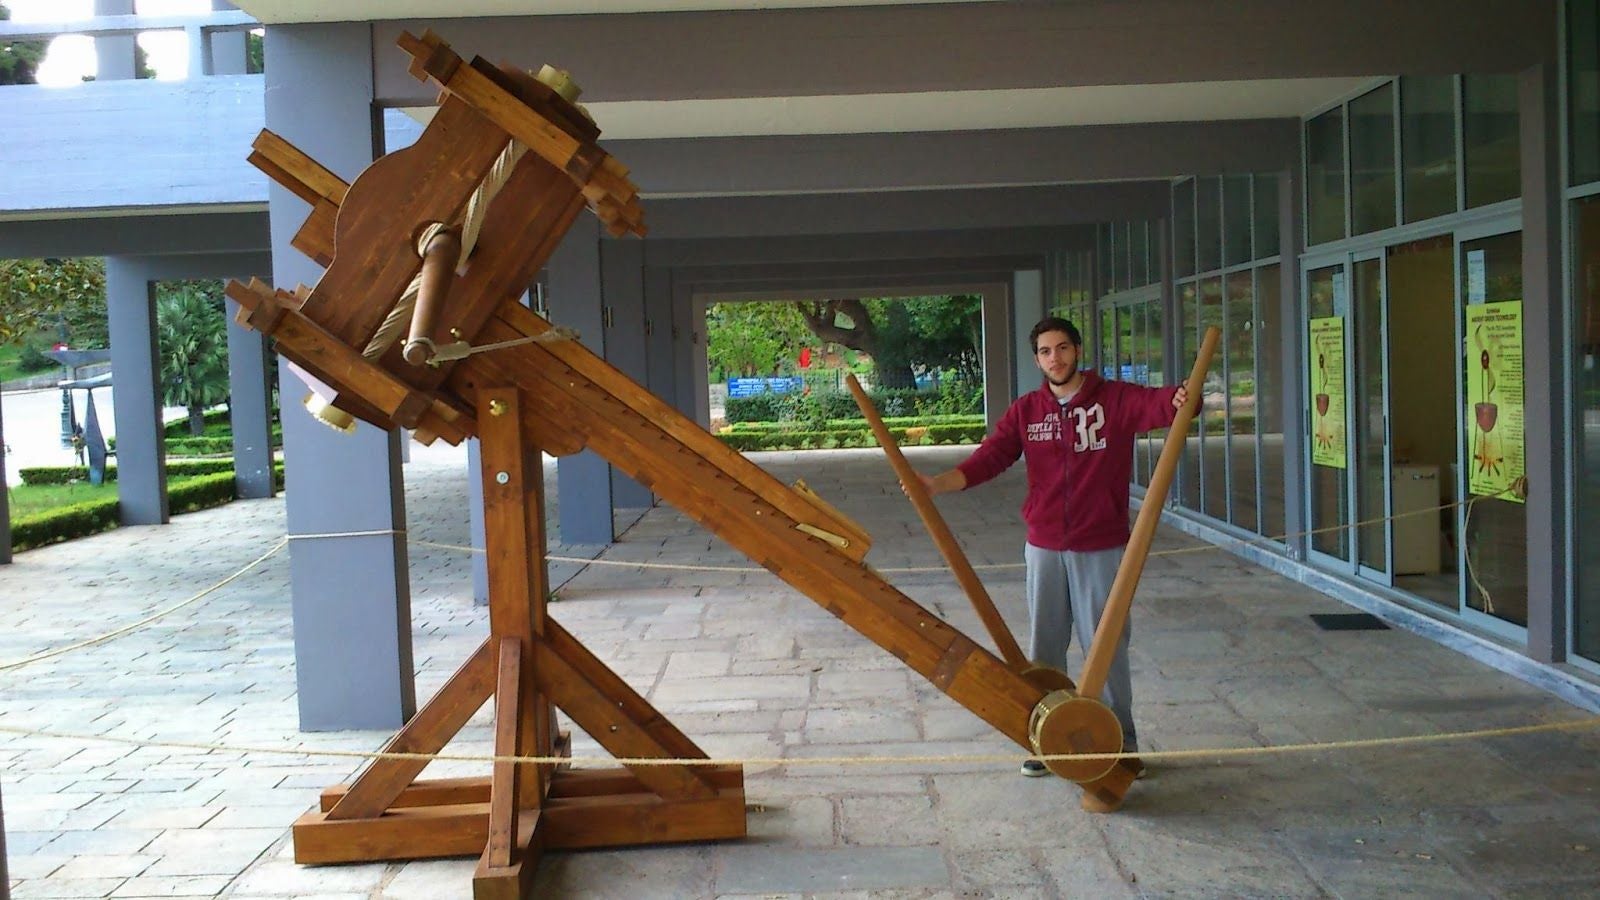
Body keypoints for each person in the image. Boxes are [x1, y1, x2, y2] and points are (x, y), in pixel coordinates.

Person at [910, 316, 1186, 777]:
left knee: (1107, 644)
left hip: (1101, 546)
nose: (1054, 358)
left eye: (1061, 348)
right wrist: (937, 484)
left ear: (1077, 350)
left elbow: (1161, 406)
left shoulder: (1115, 399)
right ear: (1037, 358)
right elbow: (991, 457)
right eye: (1044, 351)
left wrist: (1182, 400)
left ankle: (1122, 744)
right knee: (1045, 647)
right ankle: (1047, 738)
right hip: (1044, 546)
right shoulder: (1027, 410)